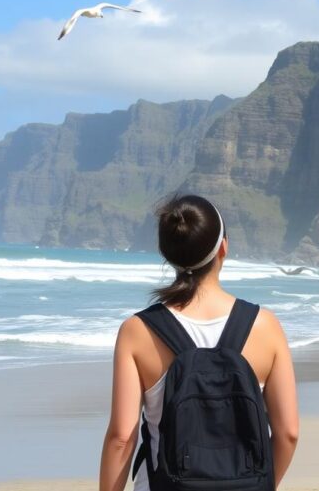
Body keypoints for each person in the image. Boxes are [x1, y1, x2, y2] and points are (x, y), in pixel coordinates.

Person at [99, 195, 299, 491]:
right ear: (223, 248)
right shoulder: (265, 326)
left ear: (168, 254)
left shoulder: (137, 331)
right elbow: (288, 433)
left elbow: (122, 437)